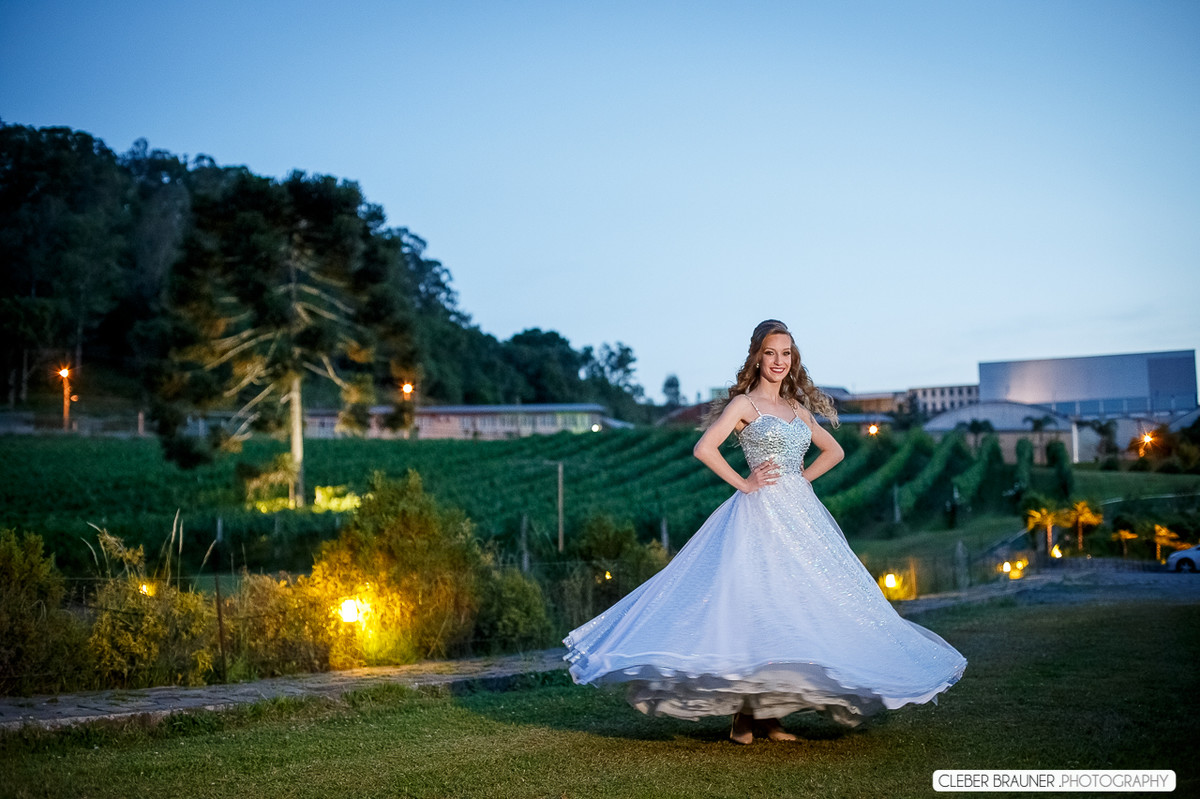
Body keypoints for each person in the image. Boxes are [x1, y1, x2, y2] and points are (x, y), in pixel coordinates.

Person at [563, 319, 966, 744]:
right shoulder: (744, 405)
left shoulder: (797, 410)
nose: (779, 361)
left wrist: (802, 479)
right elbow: (704, 448)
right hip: (757, 513)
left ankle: (767, 716)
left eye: (786, 354)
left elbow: (836, 450)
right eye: (771, 353)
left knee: (793, 607)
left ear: (793, 360)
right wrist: (746, 483)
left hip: (800, 514)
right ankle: (745, 715)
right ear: (757, 356)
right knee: (756, 606)